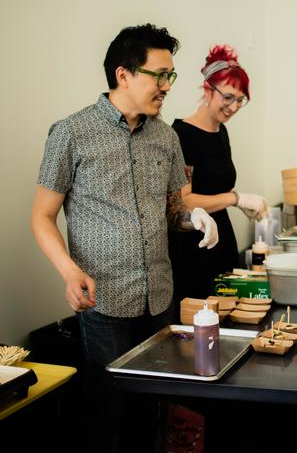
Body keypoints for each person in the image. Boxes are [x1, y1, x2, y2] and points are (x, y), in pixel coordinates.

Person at [31, 23, 219, 452]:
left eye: (172, 75)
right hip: (105, 300)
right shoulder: (71, 133)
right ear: (124, 74)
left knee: (154, 410)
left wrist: (196, 218)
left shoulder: (166, 137)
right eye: (161, 74)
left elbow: (174, 210)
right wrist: (69, 271)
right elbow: (42, 217)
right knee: (107, 414)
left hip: (159, 297)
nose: (168, 85)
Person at [169, 44, 268, 308]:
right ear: (207, 89)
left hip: (223, 243)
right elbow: (184, 201)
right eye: (228, 97)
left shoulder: (221, 132)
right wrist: (235, 199)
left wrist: (238, 202)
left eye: (240, 100)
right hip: (195, 246)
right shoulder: (182, 135)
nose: (234, 106)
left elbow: (216, 188)